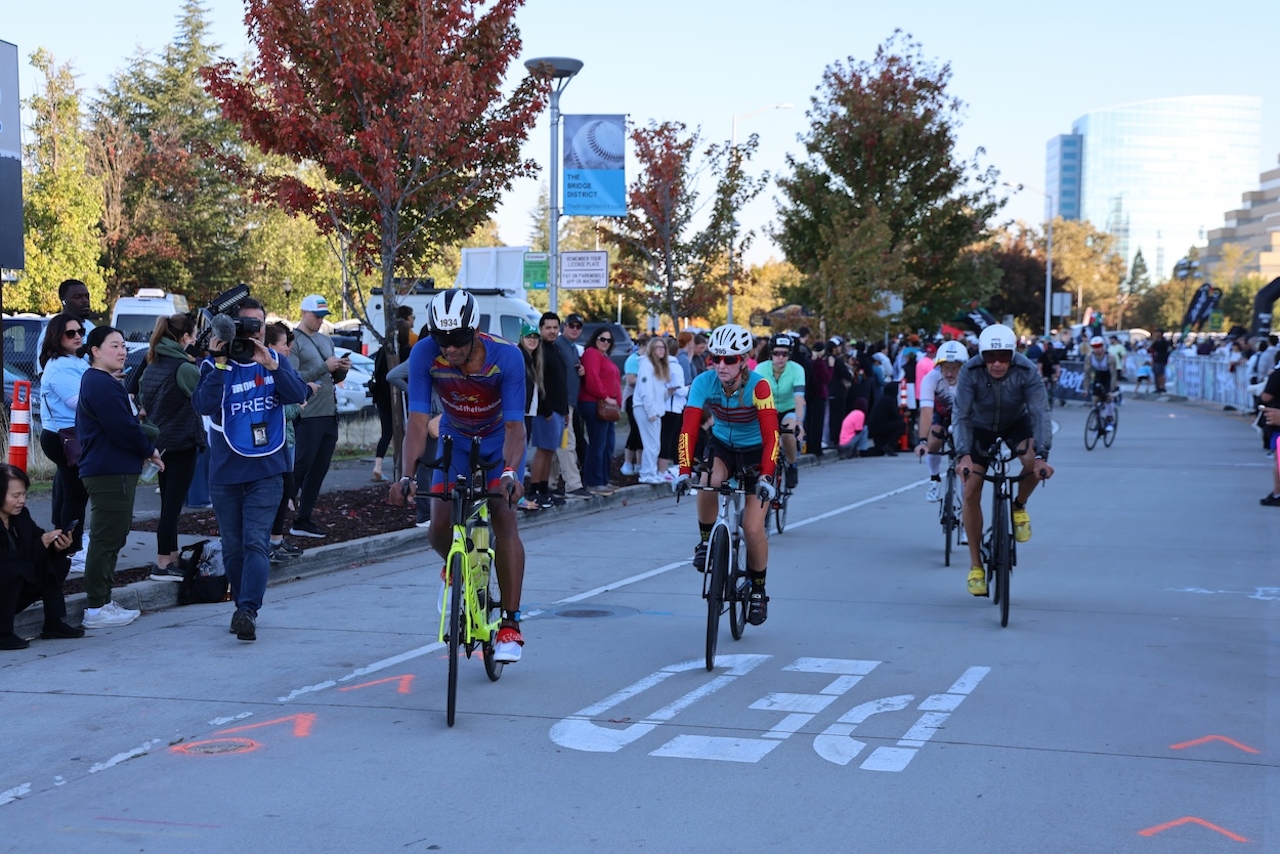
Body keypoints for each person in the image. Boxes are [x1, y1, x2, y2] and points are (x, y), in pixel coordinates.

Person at [388, 290, 529, 663]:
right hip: (456, 439)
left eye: (458, 340)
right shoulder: (424, 353)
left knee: (504, 515)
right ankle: (456, 568)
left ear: (475, 331)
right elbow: (417, 422)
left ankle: (511, 624)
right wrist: (406, 475)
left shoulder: (507, 356)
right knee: (439, 525)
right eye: (441, 339)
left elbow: (517, 427)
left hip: (498, 439)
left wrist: (511, 473)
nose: (449, 348)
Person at [193, 298, 311, 641]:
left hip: (268, 470)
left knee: (256, 542)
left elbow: (298, 394)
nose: (251, 331)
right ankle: (241, 606)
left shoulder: (274, 361)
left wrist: (274, 365)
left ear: (264, 326)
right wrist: (219, 363)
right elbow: (203, 405)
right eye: (244, 325)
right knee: (233, 547)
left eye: (256, 325)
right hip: (226, 473)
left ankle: (248, 610)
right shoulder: (212, 366)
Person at [673, 324, 780, 626]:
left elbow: (772, 436)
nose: (721, 365)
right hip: (723, 446)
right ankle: (706, 541)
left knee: (752, 527)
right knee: (708, 482)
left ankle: (758, 591)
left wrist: (768, 478)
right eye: (715, 358)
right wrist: (683, 471)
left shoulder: (758, 386)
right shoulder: (703, 382)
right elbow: (688, 429)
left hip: (757, 453)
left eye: (729, 359)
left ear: (743, 360)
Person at [953, 324, 1054, 597]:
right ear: (981, 355)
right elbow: (961, 414)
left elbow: (1040, 414)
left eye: (1003, 357)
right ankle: (976, 567)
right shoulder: (969, 371)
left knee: (1031, 460)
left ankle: (1018, 506)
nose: (996, 363)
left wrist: (1043, 456)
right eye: (989, 357)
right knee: (971, 490)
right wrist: (963, 454)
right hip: (978, 428)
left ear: (1014, 353)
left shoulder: (1027, 370)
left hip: (1015, 424)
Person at [77, 326, 164, 629]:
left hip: (114, 469)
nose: (122, 351)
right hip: (108, 470)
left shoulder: (105, 382)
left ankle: (103, 600)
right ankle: (96, 607)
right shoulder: (100, 383)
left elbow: (124, 424)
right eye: (114, 345)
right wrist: (149, 448)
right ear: (95, 351)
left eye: (124, 345)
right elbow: (121, 429)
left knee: (114, 535)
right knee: (106, 537)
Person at [137, 314, 205, 581]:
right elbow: (205, 398)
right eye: (195, 336)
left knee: (169, 502)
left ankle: (171, 556)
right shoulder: (183, 368)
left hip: (160, 442)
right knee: (172, 507)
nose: (197, 340)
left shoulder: (153, 363)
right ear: (185, 338)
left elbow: (144, 398)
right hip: (181, 442)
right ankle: (164, 562)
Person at [288, 294, 351, 538]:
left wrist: (341, 371)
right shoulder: (294, 342)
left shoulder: (326, 341)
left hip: (328, 412)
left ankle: (303, 518)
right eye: (316, 316)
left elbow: (332, 379)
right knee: (302, 465)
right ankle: (279, 509)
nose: (319, 321)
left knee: (319, 468)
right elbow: (292, 378)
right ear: (304, 313)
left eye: (323, 317)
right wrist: (324, 367)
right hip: (308, 414)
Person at [0, 465, 79, 649]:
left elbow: (38, 539)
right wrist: (39, 545)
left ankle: (53, 623)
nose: (22, 501)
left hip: (14, 589)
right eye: (15, 496)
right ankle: (3, 634)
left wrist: (57, 545)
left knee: (56, 562)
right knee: (12, 569)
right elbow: (6, 559)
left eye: (24, 494)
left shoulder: (21, 515)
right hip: (4, 585)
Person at [36, 313, 91, 555]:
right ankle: (71, 548)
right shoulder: (58, 366)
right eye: (71, 333)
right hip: (63, 436)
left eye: (80, 332)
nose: (78, 336)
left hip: (70, 434)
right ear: (58, 337)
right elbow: (77, 402)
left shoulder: (75, 360)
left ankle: (62, 541)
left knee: (69, 491)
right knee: (75, 495)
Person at [265, 323, 311, 562]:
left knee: (285, 491)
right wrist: (299, 405)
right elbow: (281, 408)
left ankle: (276, 540)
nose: (288, 351)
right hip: (275, 442)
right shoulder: (265, 373)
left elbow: (297, 391)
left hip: (287, 438)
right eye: (284, 345)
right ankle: (269, 542)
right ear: (270, 347)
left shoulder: (283, 369)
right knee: (278, 491)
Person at [544, 313, 591, 500]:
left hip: (568, 404)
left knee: (557, 446)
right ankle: (573, 484)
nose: (574, 329)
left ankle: (550, 483)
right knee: (567, 444)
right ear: (564, 326)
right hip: (559, 405)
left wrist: (581, 370)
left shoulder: (571, 348)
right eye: (571, 325)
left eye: (578, 326)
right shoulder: (559, 346)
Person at [915, 341, 967, 500]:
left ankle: (966, 495)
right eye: (945, 368)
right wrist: (923, 441)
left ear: (963, 367)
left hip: (963, 415)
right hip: (940, 414)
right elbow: (926, 410)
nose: (949, 374)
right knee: (934, 438)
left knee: (964, 448)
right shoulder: (931, 379)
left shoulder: (969, 379)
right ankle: (934, 479)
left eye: (954, 368)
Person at [370, 305, 415, 482]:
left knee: (386, 431)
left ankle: (378, 465)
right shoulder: (406, 351)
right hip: (397, 397)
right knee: (403, 431)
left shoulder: (383, 350)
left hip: (381, 396)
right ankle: (403, 466)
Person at [633, 337, 684, 483]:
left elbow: (658, 392)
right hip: (645, 409)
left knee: (655, 443)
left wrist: (669, 392)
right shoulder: (646, 365)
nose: (661, 350)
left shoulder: (659, 367)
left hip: (656, 409)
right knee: (651, 443)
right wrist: (650, 412)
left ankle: (651, 472)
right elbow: (645, 391)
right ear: (651, 349)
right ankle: (646, 474)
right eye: (657, 347)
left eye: (663, 348)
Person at [578, 327, 622, 495]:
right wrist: (605, 396)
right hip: (594, 404)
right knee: (598, 444)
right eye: (602, 339)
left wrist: (615, 401)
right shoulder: (592, 353)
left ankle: (603, 479)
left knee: (608, 444)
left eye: (608, 340)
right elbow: (592, 379)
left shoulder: (604, 357)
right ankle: (593, 482)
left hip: (607, 407)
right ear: (595, 339)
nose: (605, 343)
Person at [763, 334, 806, 488]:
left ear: (790, 355)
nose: (780, 357)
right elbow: (752, 397)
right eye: (776, 353)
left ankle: (792, 465)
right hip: (768, 409)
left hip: (789, 409)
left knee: (788, 433)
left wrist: (799, 423)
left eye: (785, 354)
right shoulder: (761, 369)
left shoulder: (797, 370)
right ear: (771, 353)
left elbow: (799, 397)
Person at [33, 279, 96, 374]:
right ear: (64, 301)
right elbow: (44, 372)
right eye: (77, 297)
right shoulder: (53, 329)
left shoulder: (90, 326)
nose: (85, 301)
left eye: (86, 296)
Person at [516, 322, 546, 512]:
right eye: (529, 337)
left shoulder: (532, 360)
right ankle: (516, 498)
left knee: (520, 455)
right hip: (519, 414)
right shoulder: (519, 357)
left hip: (528, 413)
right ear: (522, 338)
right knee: (516, 457)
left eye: (535, 337)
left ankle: (516, 495)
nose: (532, 340)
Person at [1083, 335, 1119, 430]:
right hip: (1098, 375)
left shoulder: (1110, 357)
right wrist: (1086, 389)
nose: (1097, 349)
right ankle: (1097, 420)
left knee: (1108, 398)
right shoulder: (1089, 357)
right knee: (1095, 399)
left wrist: (1111, 390)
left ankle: (1110, 419)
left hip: (1108, 377)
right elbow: (1086, 374)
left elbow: (1113, 375)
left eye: (1099, 346)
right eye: (1094, 347)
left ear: (1103, 346)